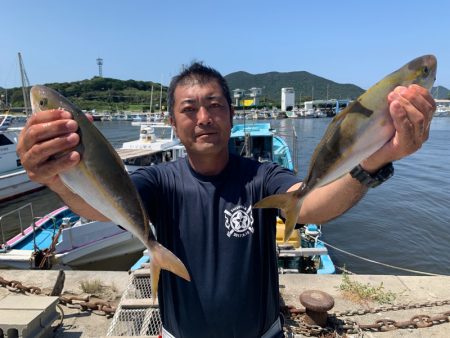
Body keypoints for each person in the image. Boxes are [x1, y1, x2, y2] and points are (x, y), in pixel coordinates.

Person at [17, 62, 436, 338]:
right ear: (173, 122)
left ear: (232, 115)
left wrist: (375, 161)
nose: (204, 118)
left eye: (215, 105)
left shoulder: (261, 176)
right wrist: (53, 177)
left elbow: (311, 205)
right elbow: (98, 207)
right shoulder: (158, 181)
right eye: (189, 109)